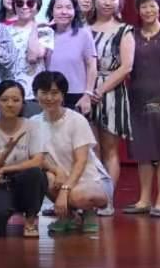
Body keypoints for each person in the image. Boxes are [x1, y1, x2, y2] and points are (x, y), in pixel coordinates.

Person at [31, 70, 112, 235]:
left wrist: (65, 190)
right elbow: (38, 157)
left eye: (55, 93)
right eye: (44, 93)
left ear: (63, 95)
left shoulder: (76, 120)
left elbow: (81, 161)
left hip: (91, 180)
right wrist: (57, 171)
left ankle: (90, 212)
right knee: (44, 177)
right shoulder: (33, 123)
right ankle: (68, 216)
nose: (49, 98)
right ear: (35, 94)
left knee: (76, 196)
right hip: (62, 178)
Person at [123, 0, 160, 217]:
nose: (148, 10)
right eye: (143, 6)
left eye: (152, 5)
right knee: (142, 151)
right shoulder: (131, 34)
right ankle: (144, 199)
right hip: (137, 98)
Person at [0, 79, 48, 238]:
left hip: (22, 183)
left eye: (16, 100)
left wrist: (4, 169)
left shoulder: (33, 127)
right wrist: (6, 152)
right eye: (4, 100)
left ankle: (30, 221)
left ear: (23, 103)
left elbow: (38, 162)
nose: (10, 104)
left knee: (35, 174)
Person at [86, 0, 133, 215]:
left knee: (110, 149)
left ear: (119, 2)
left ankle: (108, 200)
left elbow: (126, 67)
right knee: (90, 149)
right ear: (95, 0)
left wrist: (101, 90)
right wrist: (89, 91)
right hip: (85, 91)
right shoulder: (84, 28)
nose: (107, 2)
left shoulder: (124, 30)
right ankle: (91, 198)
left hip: (111, 92)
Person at [43, 0, 97, 112]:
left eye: (68, 7)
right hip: (49, 94)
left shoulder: (84, 34)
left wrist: (88, 94)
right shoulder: (45, 34)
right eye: (59, 7)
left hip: (77, 95)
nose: (64, 12)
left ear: (75, 11)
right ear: (51, 11)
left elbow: (92, 66)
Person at [5, 0, 52, 115]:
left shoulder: (44, 30)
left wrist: (34, 28)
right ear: (14, 5)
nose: (24, 7)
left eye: (30, 3)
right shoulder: (5, 31)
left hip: (34, 93)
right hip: (9, 92)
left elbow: (33, 56)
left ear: (38, 5)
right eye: (20, 3)